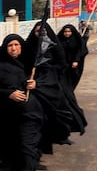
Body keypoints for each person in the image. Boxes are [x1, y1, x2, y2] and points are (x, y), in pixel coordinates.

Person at [0, 35, 42, 171]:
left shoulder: (31, 64)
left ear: (22, 46)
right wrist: (8, 93)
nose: (14, 48)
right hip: (7, 114)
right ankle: (16, 169)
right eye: (10, 45)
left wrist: (36, 84)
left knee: (26, 144)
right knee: (12, 144)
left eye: (17, 44)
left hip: (30, 113)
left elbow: (50, 80)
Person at [24, 21, 87, 151]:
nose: (39, 34)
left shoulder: (53, 46)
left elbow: (61, 63)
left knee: (62, 108)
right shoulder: (29, 46)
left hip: (54, 81)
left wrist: (49, 71)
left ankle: (62, 134)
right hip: (35, 83)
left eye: (42, 32)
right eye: (37, 32)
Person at [57, 24, 87, 90]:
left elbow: (81, 50)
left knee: (73, 79)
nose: (67, 33)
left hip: (74, 65)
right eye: (65, 31)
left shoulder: (78, 40)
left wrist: (76, 60)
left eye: (69, 31)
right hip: (63, 65)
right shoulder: (59, 40)